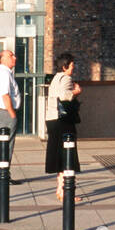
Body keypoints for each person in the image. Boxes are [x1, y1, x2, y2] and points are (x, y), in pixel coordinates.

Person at [44, 54, 82, 201]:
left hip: (52, 119)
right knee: (67, 155)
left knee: (59, 156)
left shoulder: (55, 78)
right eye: (72, 65)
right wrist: (76, 92)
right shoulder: (66, 78)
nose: (73, 68)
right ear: (65, 66)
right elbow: (64, 95)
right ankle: (66, 192)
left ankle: (60, 189)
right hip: (63, 121)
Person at [0, 48, 23, 184]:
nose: (15, 58)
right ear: (3, 59)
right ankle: (1, 175)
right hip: (5, 112)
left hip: (1, 112)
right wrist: (12, 114)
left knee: (1, 144)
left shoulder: (3, 73)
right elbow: (5, 95)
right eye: (11, 55)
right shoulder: (3, 74)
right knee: (6, 145)